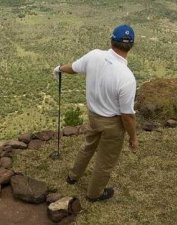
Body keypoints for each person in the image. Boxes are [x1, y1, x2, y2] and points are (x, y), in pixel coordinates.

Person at [52, 24, 139, 202]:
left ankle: (73, 176)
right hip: (113, 124)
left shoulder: (94, 56)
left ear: (111, 40)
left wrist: (59, 68)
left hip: (93, 116)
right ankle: (94, 193)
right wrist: (133, 137)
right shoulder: (127, 77)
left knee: (88, 146)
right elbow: (127, 115)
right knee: (105, 161)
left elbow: (73, 68)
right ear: (131, 45)